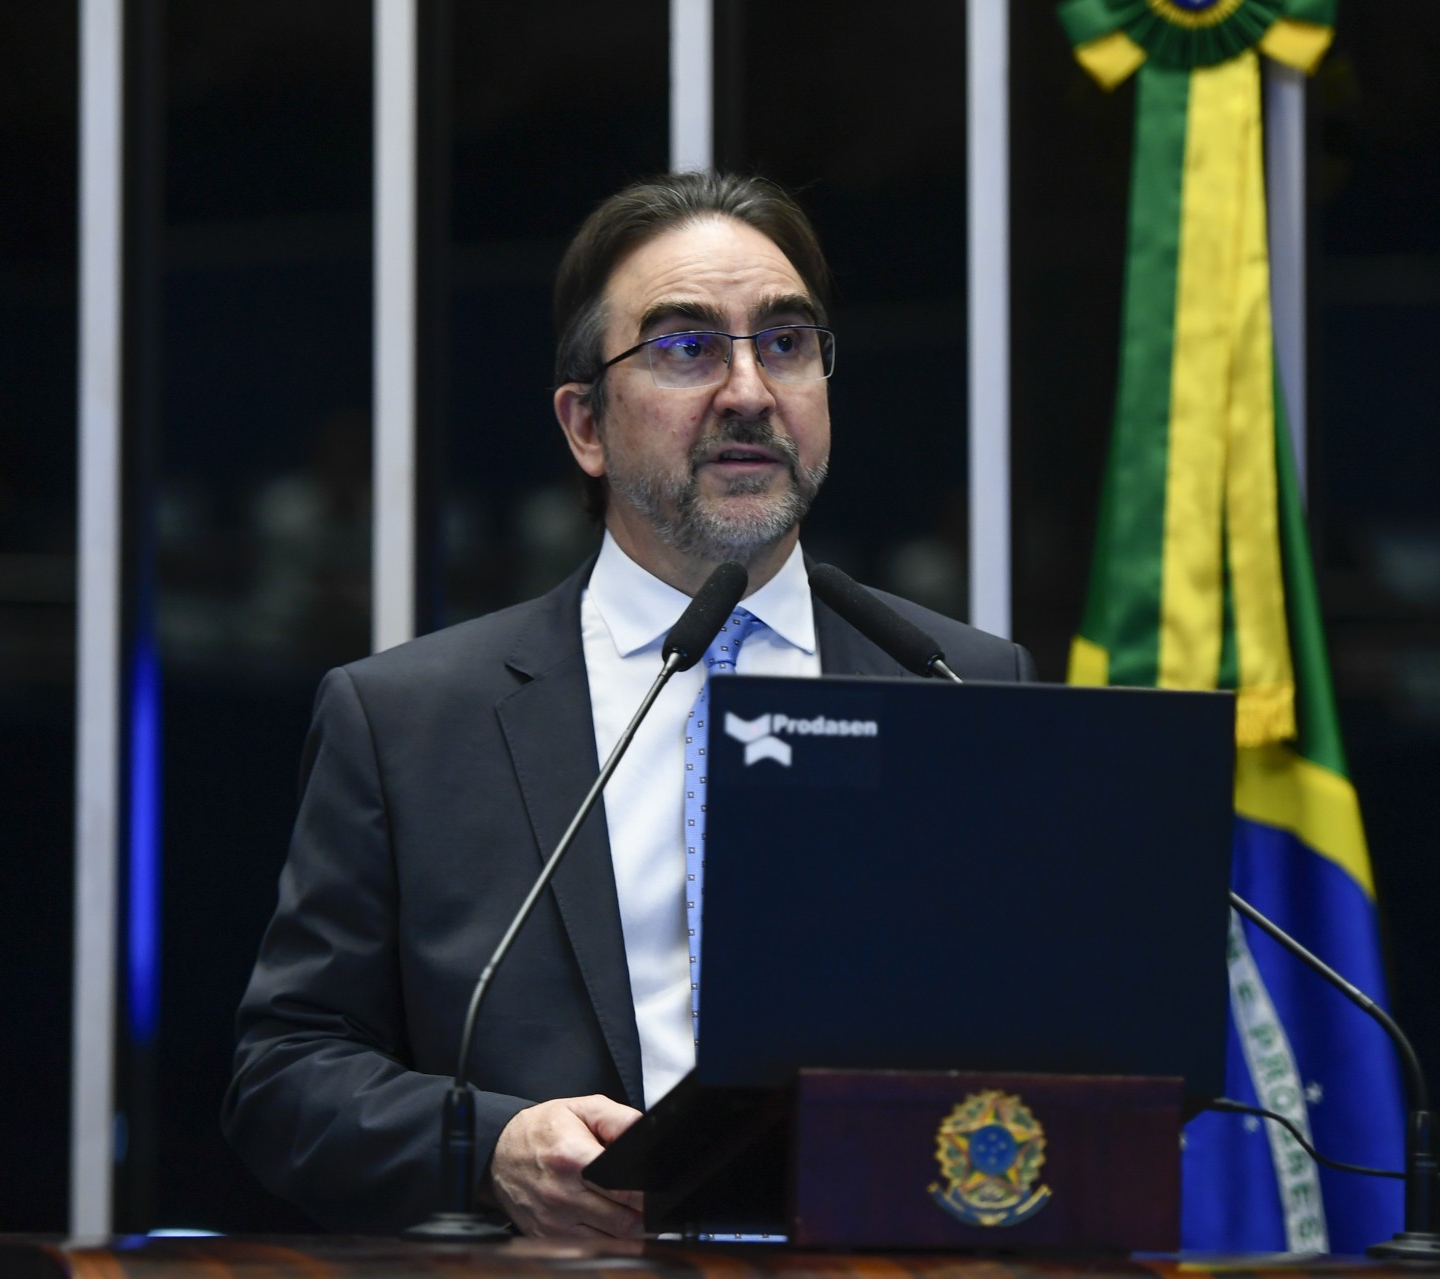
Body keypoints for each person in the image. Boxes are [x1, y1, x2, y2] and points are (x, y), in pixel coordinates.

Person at [223, 172, 1036, 1238]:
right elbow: (283, 1078)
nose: (749, 390)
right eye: (687, 349)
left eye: (785, 343)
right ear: (585, 426)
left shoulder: (962, 687)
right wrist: (488, 1146)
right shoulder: (412, 721)